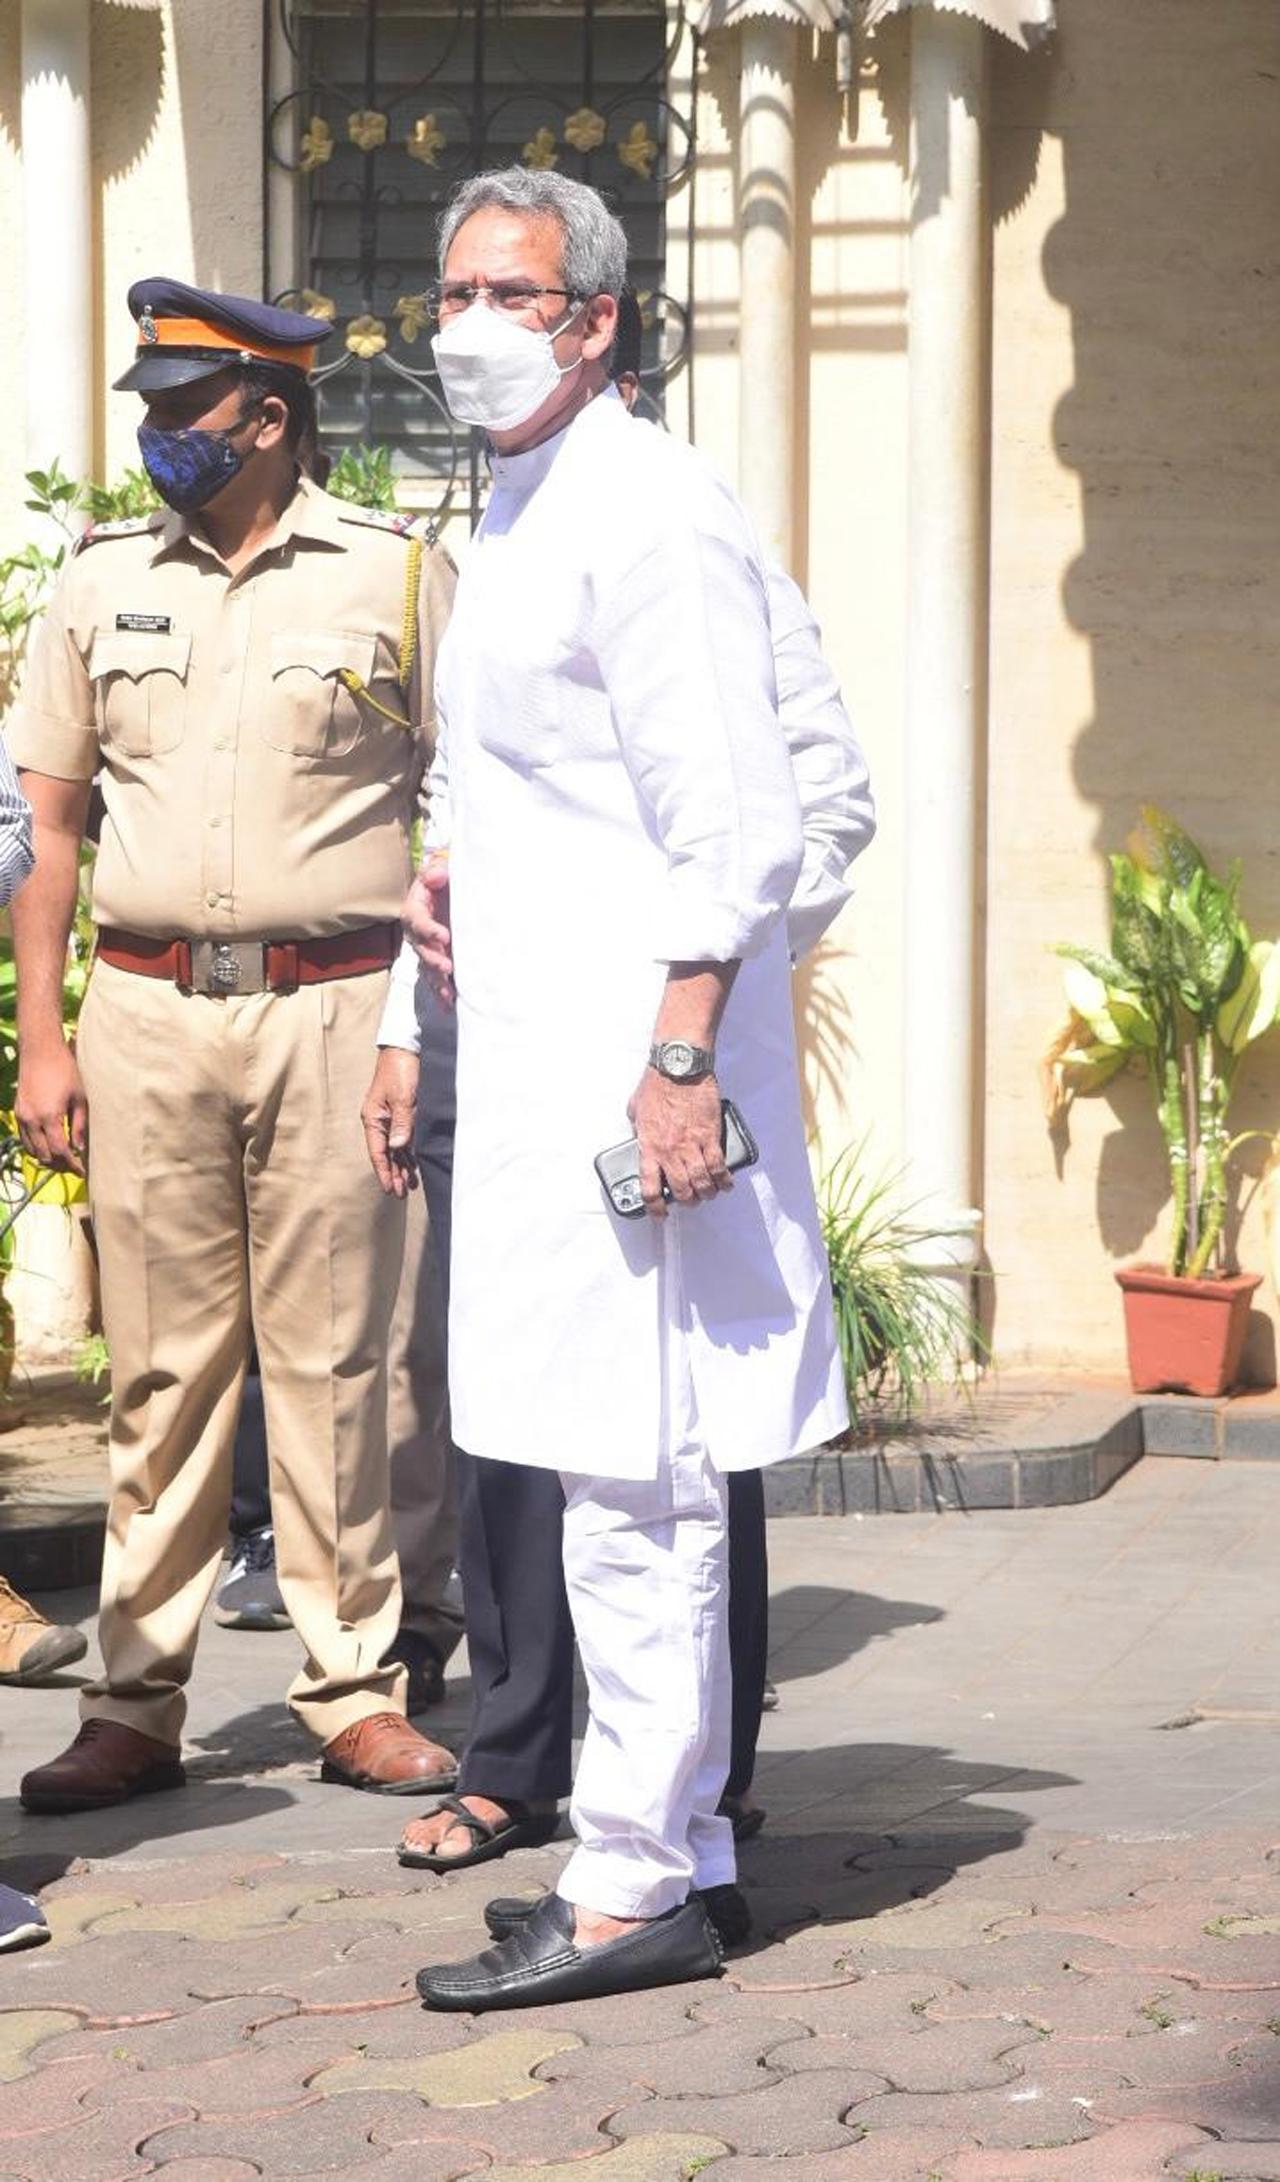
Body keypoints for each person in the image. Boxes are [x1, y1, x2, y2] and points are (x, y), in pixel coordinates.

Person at [362, 169, 848, 2011]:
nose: (468, 323)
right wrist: (457, 896)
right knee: (608, 1453)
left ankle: (634, 1875)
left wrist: (676, 1055)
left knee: (636, 1476)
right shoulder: (534, 502)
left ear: (598, 321)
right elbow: (543, 789)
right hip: (551, 1040)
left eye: (513, 292)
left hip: (626, 1077)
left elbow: (744, 813)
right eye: (451, 286)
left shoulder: (647, 515)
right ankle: (682, 1850)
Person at [7, 279, 458, 1813]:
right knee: (162, 1368)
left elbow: (467, 811)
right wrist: (44, 1035)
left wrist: (423, 1026)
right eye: (146, 406)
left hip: (338, 1003)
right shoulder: (99, 584)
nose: (155, 434)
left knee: (344, 1362)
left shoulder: (398, 579)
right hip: (141, 1012)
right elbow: (45, 825)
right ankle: (138, 1700)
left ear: (268, 419)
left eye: (181, 410)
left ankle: (352, 1687)